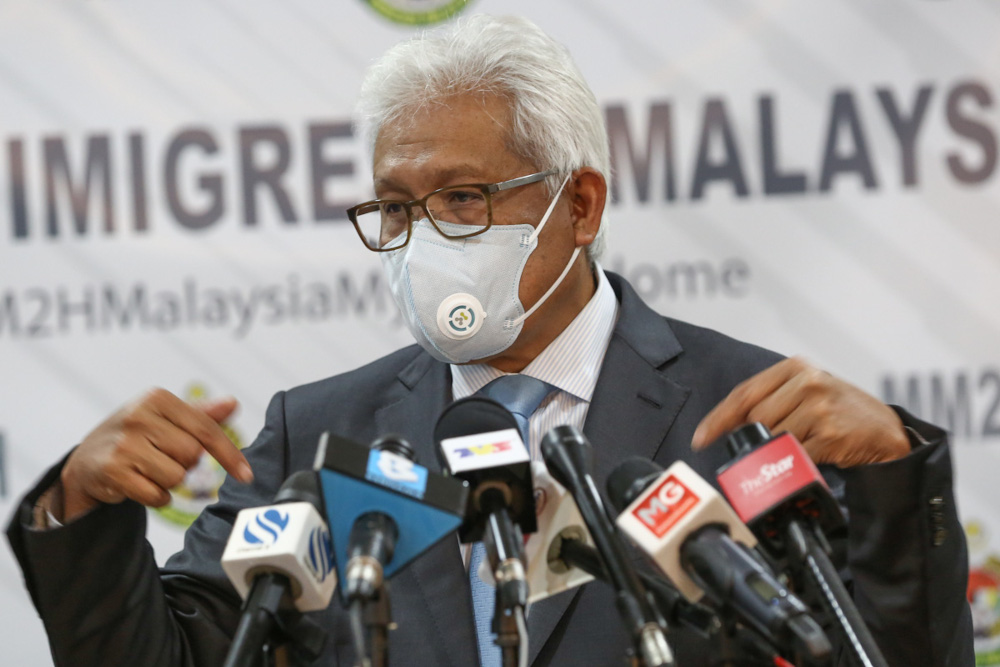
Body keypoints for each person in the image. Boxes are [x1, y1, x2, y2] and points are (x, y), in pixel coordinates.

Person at [7, 14, 973, 667]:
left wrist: (893, 475)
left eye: (463, 198)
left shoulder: (746, 413)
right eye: (396, 206)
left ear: (579, 203)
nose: (422, 237)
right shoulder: (320, 435)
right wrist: (82, 509)